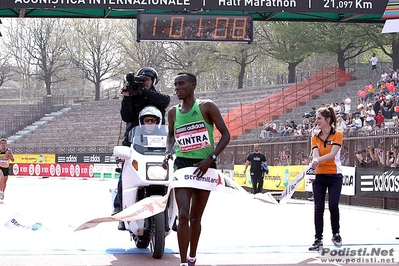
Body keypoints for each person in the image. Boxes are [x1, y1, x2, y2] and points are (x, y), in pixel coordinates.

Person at [162, 73, 230, 266]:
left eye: (181, 84)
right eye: (175, 85)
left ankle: (192, 256)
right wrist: (168, 153)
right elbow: (170, 136)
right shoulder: (173, 112)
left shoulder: (207, 107)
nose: (177, 88)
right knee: (182, 214)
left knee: (195, 217)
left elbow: (226, 135)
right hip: (182, 166)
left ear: (193, 85)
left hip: (205, 166)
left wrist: (211, 158)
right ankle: (183, 262)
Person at [113, 67, 170, 231]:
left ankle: (173, 213)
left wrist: (143, 91)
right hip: (133, 140)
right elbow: (126, 116)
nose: (143, 81)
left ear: (153, 81)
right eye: (141, 78)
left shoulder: (157, 97)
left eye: (147, 79)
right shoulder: (132, 94)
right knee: (125, 173)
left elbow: (165, 101)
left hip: (158, 142)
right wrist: (127, 95)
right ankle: (120, 208)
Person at [308, 106, 344, 251]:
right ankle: (318, 239)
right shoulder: (314, 137)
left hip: (334, 175)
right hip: (319, 176)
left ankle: (336, 234)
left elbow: (332, 154)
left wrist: (317, 160)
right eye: (316, 118)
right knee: (318, 208)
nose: (316, 121)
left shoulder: (338, 135)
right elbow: (316, 155)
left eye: (319, 118)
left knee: (333, 205)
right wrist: (314, 163)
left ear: (327, 120)